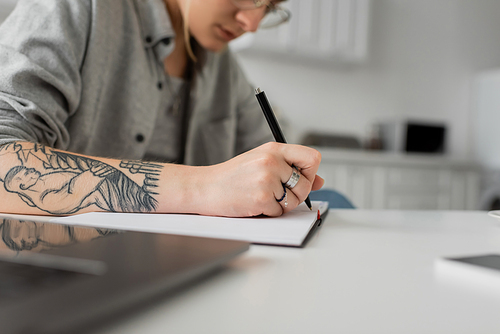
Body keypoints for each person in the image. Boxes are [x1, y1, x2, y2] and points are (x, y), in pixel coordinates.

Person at [0, 0, 324, 218]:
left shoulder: (224, 67)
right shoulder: (77, 8)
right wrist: (203, 187)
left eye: (269, 8)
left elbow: (268, 169)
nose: (251, 23)